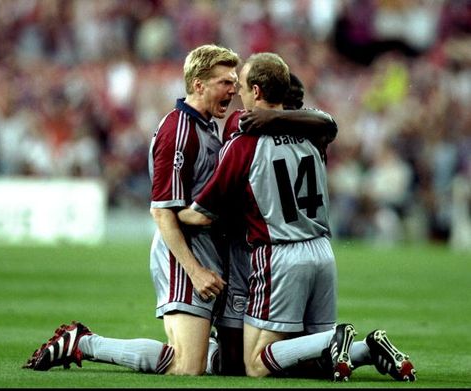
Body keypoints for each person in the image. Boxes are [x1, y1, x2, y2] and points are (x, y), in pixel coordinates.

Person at [181, 59, 416, 382]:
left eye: (243, 85)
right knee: (310, 359)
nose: (237, 92)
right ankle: (366, 349)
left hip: (278, 254)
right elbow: (326, 122)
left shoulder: (244, 139)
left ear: (257, 91)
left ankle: (335, 336)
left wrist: (165, 212)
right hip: (322, 251)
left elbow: (201, 212)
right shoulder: (313, 136)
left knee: (255, 364)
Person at [23, 44, 240, 375]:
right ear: (198, 84)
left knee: (225, 362)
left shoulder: (208, 125)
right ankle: (82, 343)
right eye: (225, 81)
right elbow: (162, 212)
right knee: (186, 366)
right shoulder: (178, 131)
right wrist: (194, 270)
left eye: (235, 81)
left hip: (209, 246)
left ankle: (201, 343)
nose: (233, 88)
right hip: (183, 251)